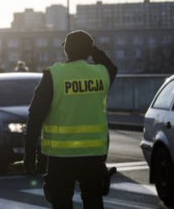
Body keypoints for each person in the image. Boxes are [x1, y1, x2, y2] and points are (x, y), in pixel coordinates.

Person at [24, 30, 118, 209]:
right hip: (93, 155)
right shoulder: (101, 74)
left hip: (60, 157)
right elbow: (111, 66)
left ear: (66, 50)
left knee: (61, 202)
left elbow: (35, 116)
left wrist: (29, 153)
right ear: (88, 50)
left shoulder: (53, 76)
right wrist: (93, 50)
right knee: (93, 201)